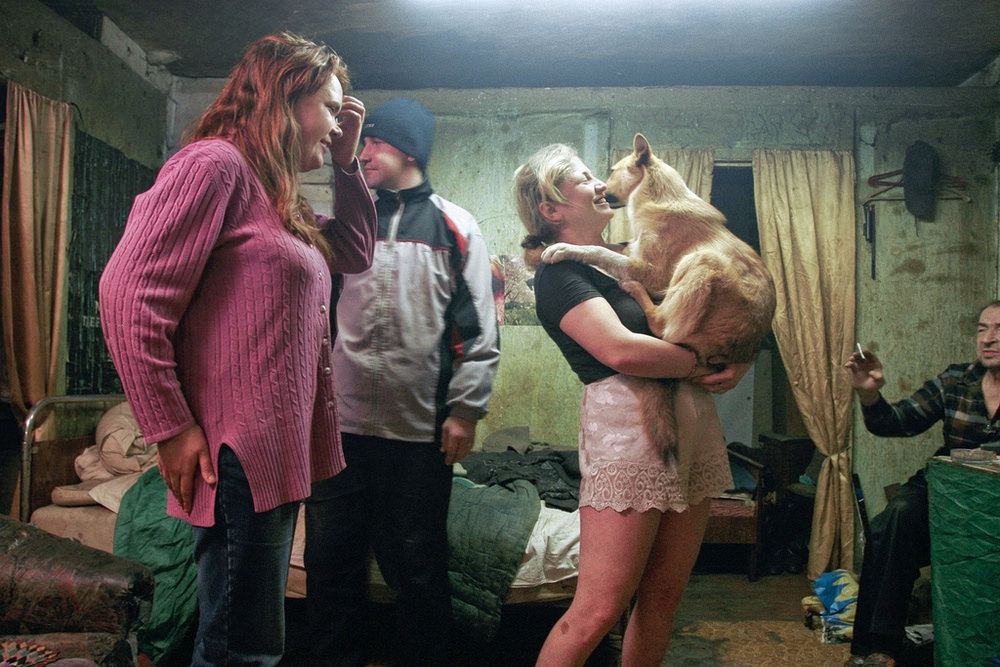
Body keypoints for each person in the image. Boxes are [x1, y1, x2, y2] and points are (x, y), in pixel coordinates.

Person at [99, 33, 377, 666]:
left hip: (270, 449)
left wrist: (347, 164)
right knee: (241, 651)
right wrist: (169, 426)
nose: (340, 126)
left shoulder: (273, 195)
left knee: (248, 643)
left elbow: (355, 251)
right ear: (286, 98)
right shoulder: (213, 165)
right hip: (238, 452)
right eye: (331, 108)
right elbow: (126, 293)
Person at [512, 143, 750, 666]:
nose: (601, 183)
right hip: (629, 435)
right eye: (584, 178)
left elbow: (716, 311)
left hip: (691, 429)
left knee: (663, 600)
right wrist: (701, 364)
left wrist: (736, 360)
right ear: (551, 208)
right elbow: (621, 350)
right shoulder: (559, 274)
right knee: (598, 610)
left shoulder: (632, 258)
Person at [304, 97, 500, 666]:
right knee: (330, 563)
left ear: (408, 149)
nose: (361, 152)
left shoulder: (456, 225)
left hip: (419, 434)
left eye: (374, 142)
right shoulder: (346, 224)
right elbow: (314, 319)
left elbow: (478, 327)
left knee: (417, 565)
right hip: (339, 431)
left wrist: (465, 411)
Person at [843, 299, 1000, 667]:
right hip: (947, 487)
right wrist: (869, 392)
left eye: (999, 330)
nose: (988, 338)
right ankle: (878, 648)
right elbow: (896, 422)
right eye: (982, 329)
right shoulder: (956, 380)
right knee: (894, 520)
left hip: (993, 500)